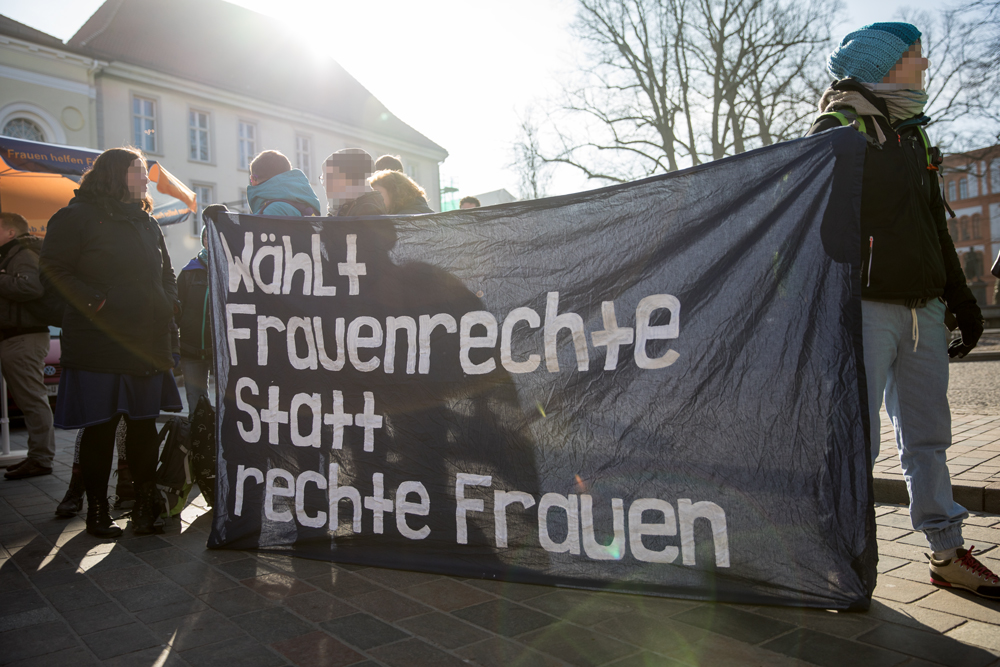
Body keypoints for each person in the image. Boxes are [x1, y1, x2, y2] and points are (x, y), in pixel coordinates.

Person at [809, 22, 999, 599]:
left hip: (925, 309)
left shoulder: (914, 133)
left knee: (928, 438)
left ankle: (946, 552)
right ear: (886, 64)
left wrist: (962, 302)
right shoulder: (839, 127)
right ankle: (833, 553)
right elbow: (819, 228)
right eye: (915, 55)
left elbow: (933, 225)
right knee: (856, 439)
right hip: (865, 310)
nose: (924, 63)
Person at [40, 147, 183, 539]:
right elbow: (52, 268)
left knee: (141, 427)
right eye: (139, 169)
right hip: (98, 341)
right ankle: (97, 510)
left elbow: (166, 273)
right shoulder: (75, 217)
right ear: (116, 174)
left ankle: (144, 505)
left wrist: (168, 302)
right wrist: (96, 301)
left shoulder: (147, 221)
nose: (146, 177)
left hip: (146, 340)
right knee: (100, 429)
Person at [0, 212, 56, 480]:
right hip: (17, 336)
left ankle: (41, 458)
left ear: (11, 232)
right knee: (29, 399)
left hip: (24, 337)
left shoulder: (21, 253)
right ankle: (38, 457)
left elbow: (31, 287)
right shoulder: (13, 253)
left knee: (32, 399)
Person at [177, 211, 221, 413]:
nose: (209, 239)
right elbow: (176, 308)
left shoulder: (230, 270)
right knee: (196, 404)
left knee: (225, 403)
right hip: (190, 349)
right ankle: (198, 443)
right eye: (206, 236)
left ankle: (220, 444)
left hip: (220, 351)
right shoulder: (189, 272)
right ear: (203, 240)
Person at [248, 150, 321, 216]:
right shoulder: (307, 203)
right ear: (288, 175)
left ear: (253, 179)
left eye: (251, 180)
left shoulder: (272, 211)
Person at [323, 148, 385, 216]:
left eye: (329, 179)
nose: (324, 184)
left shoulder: (367, 212)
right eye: (323, 179)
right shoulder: (345, 210)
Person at [369, 170, 434, 215]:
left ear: (394, 192)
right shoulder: (428, 213)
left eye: (378, 192)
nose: (373, 198)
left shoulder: (401, 219)